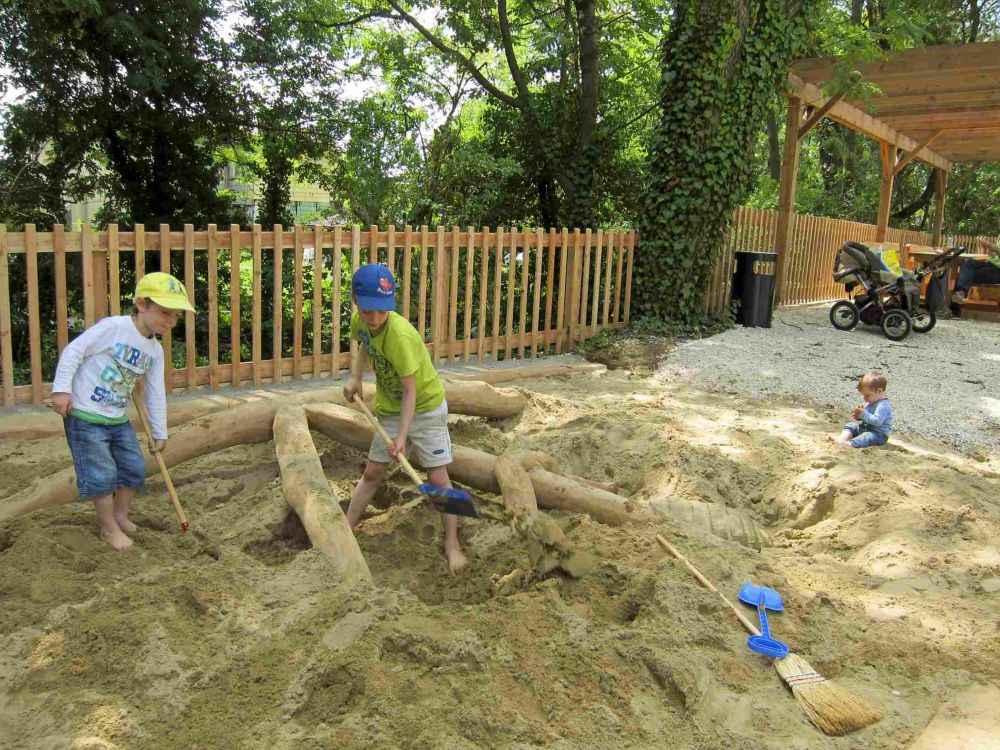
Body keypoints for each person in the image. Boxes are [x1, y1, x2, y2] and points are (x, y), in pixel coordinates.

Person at [51, 272, 194, 550]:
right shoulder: (114, 328)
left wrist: (159, 431)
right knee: (101, 474)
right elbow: (74, 351)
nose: (171, 321)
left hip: (116, 418)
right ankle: (108, 529)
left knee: (134, 467)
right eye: (165, 313)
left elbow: (154, 392)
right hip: (85, 414)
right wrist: (61, 390)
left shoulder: (154, 351)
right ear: (141, 304)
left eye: (176, 316)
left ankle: (120, 516)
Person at [343, 263, 469, 575]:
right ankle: (345, 529)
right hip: (389, 409)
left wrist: (401, 437)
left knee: (438, 479)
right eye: (368, 310)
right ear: (357, 303)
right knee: (373, 472)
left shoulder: (399, 336)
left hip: (424, 407)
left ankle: (452, 543)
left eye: (381, 311)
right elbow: (364, 345)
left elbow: (411, 392)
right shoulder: (360, 321)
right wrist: (356, 378)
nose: (374, 318)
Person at [831, 372, 893, 449]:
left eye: (867, 395)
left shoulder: (883, 406)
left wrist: (863, 413)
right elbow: (866, 418)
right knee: (852, 425)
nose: (864, 398)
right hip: (866, 428)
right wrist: (859, 416)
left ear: (879, 391)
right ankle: (843, 439)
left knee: (867, 437)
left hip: (878, 434)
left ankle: (849, 444)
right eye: (863, 395)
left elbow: (877, 421)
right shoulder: (870, 402)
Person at [951, 236, 1000, 306]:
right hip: (990, 264)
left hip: (997, 272)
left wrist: (997, 250)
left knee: (964, 275)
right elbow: (994, 256)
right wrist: (988, 247)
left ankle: (956, 306)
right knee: (968, 262)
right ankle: (960, 293)